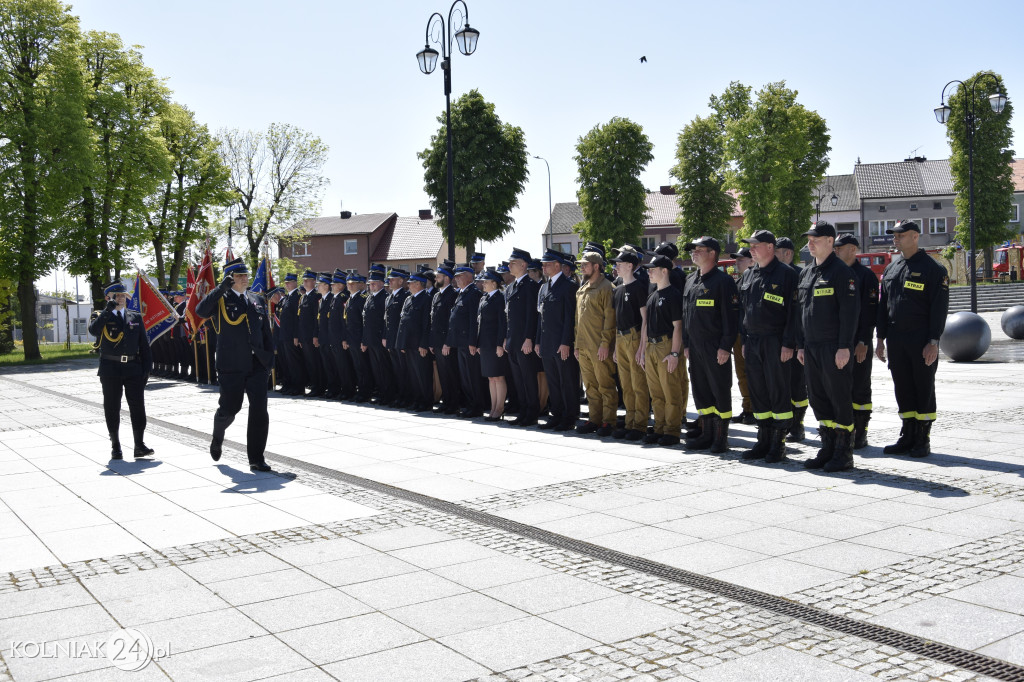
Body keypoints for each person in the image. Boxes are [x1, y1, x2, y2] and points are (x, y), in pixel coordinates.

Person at [875, 219, 949, 458]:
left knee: (923, 387)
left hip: (921, 340)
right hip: (896, 339)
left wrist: (933, 342)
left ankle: (922, 438)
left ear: (915, 236)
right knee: (903, 387)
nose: (895, 239)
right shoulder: (892, 269)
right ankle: (907, 435)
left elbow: (939, 309)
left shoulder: (934, 270)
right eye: (894, 235)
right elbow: (884, 307)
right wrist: (880, 339)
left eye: (901, 235)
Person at [196, 258, 275, 471]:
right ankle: (218, 435)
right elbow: (201, 311)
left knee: (260, 411)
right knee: (231, 408)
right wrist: (220, 289)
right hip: (231, 364)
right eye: (239, 276)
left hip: (257, 363)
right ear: (230, 279)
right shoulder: (221, 299)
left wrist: (269, 359)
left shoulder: (256, 298)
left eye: (245, 275)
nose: (244, 278)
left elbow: (265, 331)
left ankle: (256, 459)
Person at [797, 222, 859, 472]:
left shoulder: (842, 273)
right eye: (809, 239)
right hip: (811, 347)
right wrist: (800, 345)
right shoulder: (807, 273)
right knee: (818, 398)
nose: (810, 243)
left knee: (839, 398)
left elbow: (850, 314)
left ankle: (844, 453)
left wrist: (845, 346)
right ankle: (828, 447)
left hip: (834, 347)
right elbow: (801, 312)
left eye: (816, 239)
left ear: (830, 241)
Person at [736, 230, 800, 463]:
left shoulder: (786, 275)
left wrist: (788, 343)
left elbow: (794, 313)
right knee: (758, 392)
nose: (751, 249)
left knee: (778, 391)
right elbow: (743, 310)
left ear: (771, 247)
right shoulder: (750, 274)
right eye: (750, 245)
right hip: (752, 342)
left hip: (776, 342)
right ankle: (763, 439)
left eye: (756, 245)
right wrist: (744, 340)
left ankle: (778, 443)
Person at [681, 237, 739, 453]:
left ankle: (720, 438)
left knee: (719, 391)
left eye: (699, 249)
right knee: (701, 391)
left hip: (715, 348)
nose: (694, 253)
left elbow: (730, 318)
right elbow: (686, 315)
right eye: (693, 250)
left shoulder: (723, 282)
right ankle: (706, 434)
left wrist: (725, 346)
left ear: (712, 253)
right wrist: (686, 344)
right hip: (695, 348)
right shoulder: (690, 280)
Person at [89, 280, 154, 460]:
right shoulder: (100, 315)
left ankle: (139, 445)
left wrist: (147, 368)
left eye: (123, 295)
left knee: (138, 407)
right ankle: (115, 445)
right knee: (112, 407)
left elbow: (144, 345)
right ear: (108, 298)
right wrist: (107, 311)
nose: (120, 299)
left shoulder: (135, 317)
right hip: (110, 368)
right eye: (116, 296)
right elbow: (94, 331)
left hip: (133, 367)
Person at [835, 235, 878, 449]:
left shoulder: (866, 276)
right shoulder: (835, 273)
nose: (836, 251)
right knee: (840, 387)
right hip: (838, 341)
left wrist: (864, 340)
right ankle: (844, 430)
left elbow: (869, 312)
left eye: (839, 248)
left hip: (858, 342)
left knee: (860, 387)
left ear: (852, 249)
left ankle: (861, 432)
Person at [642, 254, 685, 445]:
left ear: (664, 271)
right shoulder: (652, 296)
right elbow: (646, 324)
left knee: (670, 390)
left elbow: (678, 326)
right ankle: (659, 427)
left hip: (666, 345)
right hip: (651, 346)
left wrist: (675, 353)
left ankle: (672, 430)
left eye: (653, 269)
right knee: (656, 392)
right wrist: (643, 350)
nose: (649, 272)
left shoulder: (673, 295)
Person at [574, 249, 617, 436]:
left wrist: (605, 344)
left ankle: (608, 421)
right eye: (581, 264)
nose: (582, 267)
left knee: (605, 385)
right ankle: (595, 419)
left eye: (585, 264)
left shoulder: (607, 287)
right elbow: (578, 320)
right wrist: (577, 345)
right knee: (590, 386)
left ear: (596, 266)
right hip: (583, 347)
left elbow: (610, 319)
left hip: (599, 347)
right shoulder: (582, 289)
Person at [537, 249, 578, 431]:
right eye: (543, 264)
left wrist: (566, 342)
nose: (543, 267)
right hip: (547, 342)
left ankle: (569, 417)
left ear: (557, 265)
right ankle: (557, 413)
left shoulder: (568, 286)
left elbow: (570, 318)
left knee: (567, 381)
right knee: (553, 381)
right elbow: (541, 317)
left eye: (547, 264)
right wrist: (538, 340)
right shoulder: (545, 287)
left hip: (561, 344)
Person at [610, 248, 648, 441]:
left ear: (630, 266)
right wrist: (616, 346)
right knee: (625, 384)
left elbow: (645, 319)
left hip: (635, 336)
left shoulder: (638, 287)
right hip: (621, 338)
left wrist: (642, 347)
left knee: (638, 383)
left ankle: (640, 424)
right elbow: (617, 321)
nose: (616, 266)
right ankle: (630, 421)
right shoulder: (618, 289)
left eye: (619, 263)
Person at [776, 236, 810, 441]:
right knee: (782, 383)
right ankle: (784, 422)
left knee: (797, 384)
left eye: (777, 252)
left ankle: (798, 425)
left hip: (797, 340)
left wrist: (799, 342)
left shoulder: (800, 275)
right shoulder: (775, 274)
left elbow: (800, 312)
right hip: (778, 340)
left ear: (788, 253)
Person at [505, 248, 541, 427]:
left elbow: (531, 315)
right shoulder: (511, 287)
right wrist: (506, 338)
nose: (509, 265)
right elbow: (508, 316)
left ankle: (532, 413)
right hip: (513, 340)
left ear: (523, 264)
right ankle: (523, 410)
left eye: (513, 262)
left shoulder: (531, 286)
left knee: (528, 378)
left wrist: (529, 338)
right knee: (518, 379)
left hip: (524, 341)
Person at [447, 266, 486, 417]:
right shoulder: (461, 293)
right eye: (455, 276)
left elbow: (473, 321)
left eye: (459, 276)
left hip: (468, 343)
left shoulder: (474, 294)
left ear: (469, 276)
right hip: (460, 342)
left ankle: (477, 406)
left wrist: (472, 342)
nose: (456, 279)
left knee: (472, 376)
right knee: (465, 377)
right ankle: (470, 405)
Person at [396, 271, 433, 412]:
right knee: (413, 374)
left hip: (419, 344)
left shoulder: (426, 298)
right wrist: (403, 343)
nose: (408, 285)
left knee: (423, 374)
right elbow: (403, 322)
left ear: (418, 284)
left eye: (411, 283)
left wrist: (423, 344)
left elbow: (426, 324)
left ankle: (426, 401)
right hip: (409, 343)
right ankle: (417, 400)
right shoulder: (408, 299)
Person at [475, 270, 509, 420]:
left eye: (486, 282)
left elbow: (503, 323)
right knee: (491, 377)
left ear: (494, 283)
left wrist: (500, 344)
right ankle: (493, 407)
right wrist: (478, 343)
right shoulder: (484, 298)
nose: (483, 284)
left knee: (498, 377)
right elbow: (480, 323)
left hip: (495, 343)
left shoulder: (500, 298)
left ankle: (500, 408)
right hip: (485, 343)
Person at [430, 264, 461, 414]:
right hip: (437, 342)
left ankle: (454, 403)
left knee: (451, 374)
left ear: (447, 278)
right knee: (442, 374)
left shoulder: (452, 295)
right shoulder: (437, 295)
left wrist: (448, 342)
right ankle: (446, 401)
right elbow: (433, 320)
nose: (436, 278)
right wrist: (432, 341)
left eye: (439, 276)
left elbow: (451, 322)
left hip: (446, 342)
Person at [729, 248, 755, 424]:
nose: (737, 263)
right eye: (736, 260)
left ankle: (755, 409)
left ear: (751, 261)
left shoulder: (754, 279)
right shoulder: (739, 282)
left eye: (741, 260)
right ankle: (747, 408)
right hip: (738, 334)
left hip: (751, 336)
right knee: (741, 373)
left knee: (752, 373)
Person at [362, 268, 393, 405]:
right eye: (370, 283)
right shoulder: (370, 297)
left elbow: (386, 320)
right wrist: (364, 340)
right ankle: (380, 393)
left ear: (381, 283)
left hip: (380, 340)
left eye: (374, 283)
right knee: (376, 369)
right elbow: (365, 321)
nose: (371, 286)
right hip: (370, 339)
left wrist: (384, 337)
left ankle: (387, 395)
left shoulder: (384, 298)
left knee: (384, 369)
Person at [327, 269, 356, 400]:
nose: (331, 286)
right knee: (338, 366)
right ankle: (342, 389)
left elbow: (344, 321)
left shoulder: (343, 298)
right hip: (334, 338)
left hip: (340, 339)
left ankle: (348, 390)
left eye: (334, 284)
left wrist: (344, 338)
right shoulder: (336, 298)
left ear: (340, 285)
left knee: (344, 367)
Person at [384, 268, 411, 406]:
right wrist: (385, 337)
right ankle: (398, 396)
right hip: (391, 339)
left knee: (403, 370)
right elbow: (386, 319)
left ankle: (406, 397)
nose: (390, 281)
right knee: (395, 370)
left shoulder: (404, 297)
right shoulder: (389, 297)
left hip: (399, 340)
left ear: (401, 281)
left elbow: (404, 322)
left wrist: (402, 341)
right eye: (389, 279)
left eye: (393, 279)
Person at [344, 273, 372, 402]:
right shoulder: (350, 299)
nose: (350, 286)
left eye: (353, 283)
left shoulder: (361, 299)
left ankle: (365, 392)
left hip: (359, 339)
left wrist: (363, 340)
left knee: (363, 367)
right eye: (348, 284)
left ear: (358, 284)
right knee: (357, 367)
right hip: (352, 339)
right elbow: (347, 322)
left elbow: (364, 323)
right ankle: (360, 391)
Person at [296, 270, 323, 397]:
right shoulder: (303, 297)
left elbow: (315, 319)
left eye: (307, 280)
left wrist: (315, 335)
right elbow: (300, 319)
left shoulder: (315, 297)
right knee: (309, 363)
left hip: (311, 337)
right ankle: (314, 385)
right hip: (304, 337)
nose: (304, 282)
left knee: (315, 363)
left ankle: (319, 387)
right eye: (304, 280)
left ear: (313, 281)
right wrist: (300, 337)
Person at [279, 273, 304, 395]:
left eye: (289, 282)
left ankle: (298, 387)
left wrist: (296, 335)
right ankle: (289, 384)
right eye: (286, 282)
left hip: (291, 336)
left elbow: (297, 319)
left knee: (295, 363)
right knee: (288, 362)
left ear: (295, 282)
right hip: (285, 335)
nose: (287, 284)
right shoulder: (288, 297)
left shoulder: (297, 297)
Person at [316, 272, 338, 398]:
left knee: (332, 365)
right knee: (326, 365)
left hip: (329, 337)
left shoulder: (331, 298)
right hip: (323, 337)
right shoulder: (322, 299)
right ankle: (330, 387)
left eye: (320, 284)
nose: (318, 286)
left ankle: (334, 389)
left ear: (327, 286)